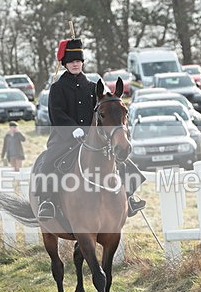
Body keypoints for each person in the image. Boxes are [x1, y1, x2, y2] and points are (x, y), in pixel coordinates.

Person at [34, 37, 146, 222]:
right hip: (64, 138)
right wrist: (73, 130)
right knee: (49, 162)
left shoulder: (93, 87)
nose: (75, 64)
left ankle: (129, 196)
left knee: (123, 161)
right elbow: (57, 114)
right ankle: (47, 201)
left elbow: (105, 112)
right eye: (71, 61)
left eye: (78, 61)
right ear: (65, 64)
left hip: (94, 138)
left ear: (82, 62)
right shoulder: (57, 88)